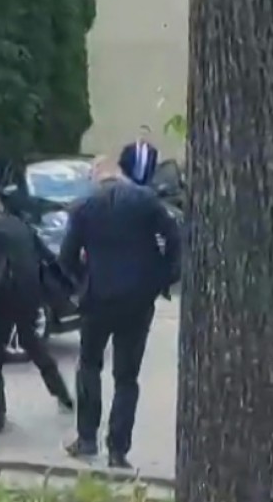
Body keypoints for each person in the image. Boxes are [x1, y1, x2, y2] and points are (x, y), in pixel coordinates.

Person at [59, 157, 180, 468]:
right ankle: (118, 449)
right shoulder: (146, 201)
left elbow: (67, 256)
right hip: (138, 299)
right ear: (121, 175)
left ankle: (87, 439)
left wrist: (81, 283)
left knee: (89, 366)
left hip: (97, 298)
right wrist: (162, 277)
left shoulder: (84, 206)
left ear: (97, 176)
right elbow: (173, 237)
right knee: (127, 376)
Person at [0, 191, 71, 433]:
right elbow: (46, 256)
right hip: (28, 294)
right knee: (31, 342)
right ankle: (62, 394)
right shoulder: (21, 225)